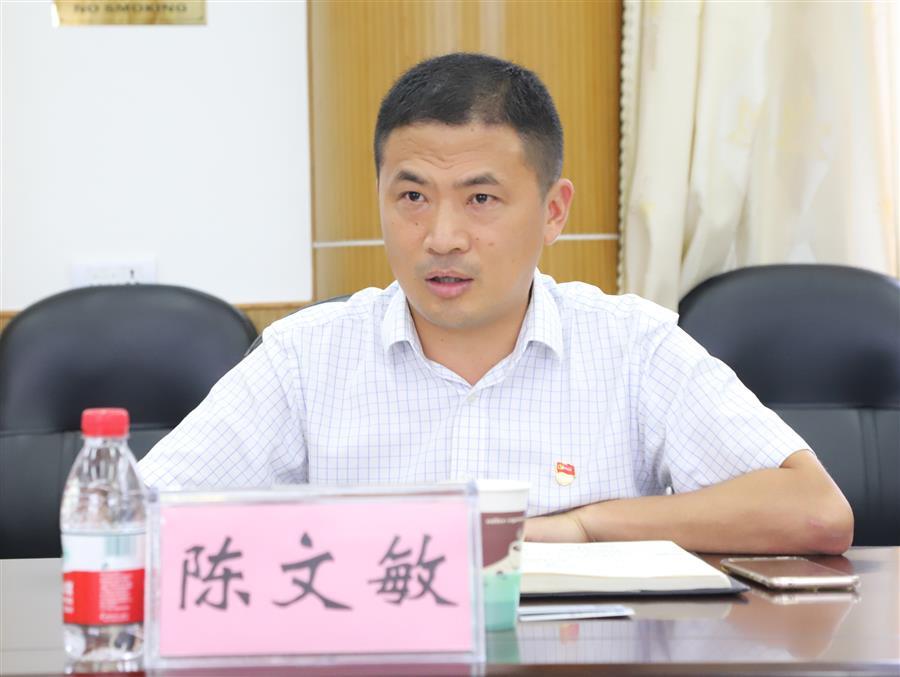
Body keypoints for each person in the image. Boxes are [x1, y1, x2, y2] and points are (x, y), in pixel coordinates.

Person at [140, 53, 853, 554]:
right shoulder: (306, 356)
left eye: (481, 198)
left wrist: (584, 526)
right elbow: (131, 519)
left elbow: (816, 511)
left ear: (553, 211)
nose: (442, 237)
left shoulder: (632, 345)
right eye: (412, 196)